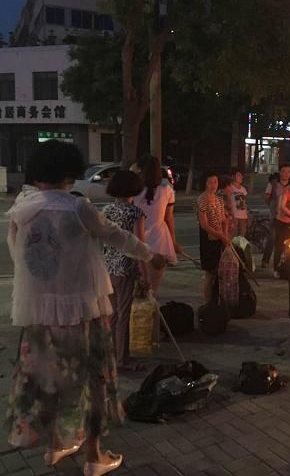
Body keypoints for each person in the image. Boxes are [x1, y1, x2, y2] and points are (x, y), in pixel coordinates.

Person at [5, 140, 165, 476]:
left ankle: (55, 446)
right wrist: (151, 255)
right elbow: (117, 236)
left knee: (48, 380)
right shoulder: (78, 207)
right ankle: (94, 456)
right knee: (93, 380)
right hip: (82, 309)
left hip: (38, 312)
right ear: (69, 173)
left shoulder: (21, 209)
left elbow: (18, 255)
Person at [104, 170, 148, 372]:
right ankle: (123, 358)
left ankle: (111, 355)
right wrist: (144, 275)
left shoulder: (107, 210)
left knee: (112, 315)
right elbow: (139, 246)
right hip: (126, 267)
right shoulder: (135, 213)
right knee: (124, 315)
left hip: (108, 266)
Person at [134, 156, 182, 296]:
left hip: (137, 242)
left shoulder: (134, 191)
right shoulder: (167, 190)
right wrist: (173, 242)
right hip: (160, 243)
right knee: (153, 291)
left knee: (138, 291)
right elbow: (169, 218)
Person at [197, 172, 229, 302]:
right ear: (205, 183)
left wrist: (225, 233)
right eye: (210, 182)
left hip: (219, 239)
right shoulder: (202, 200)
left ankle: (216, 300)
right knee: (209, 273)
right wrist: (220, 235)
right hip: (208, 239)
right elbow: (204, 225)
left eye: (215, 182)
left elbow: (223, 220)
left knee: (219, 272)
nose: (213, 185)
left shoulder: (219, 200)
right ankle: (208, 303)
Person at [262, 163, 290, 268]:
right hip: (274, 215)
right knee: (272, 238)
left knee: (285, 239)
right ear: (280, 172)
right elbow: (266, 197)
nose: (286, 174)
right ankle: (265, 260)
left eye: (288, 172)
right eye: (284, 171)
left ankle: (282, 261)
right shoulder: (273, 184)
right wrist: (272, 205)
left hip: (287, 216)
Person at [230, 168, 249, 237]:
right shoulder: (230, 188)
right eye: (238, 175)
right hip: (234, 216)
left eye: (241, 175)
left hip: (243, 216)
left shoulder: (243, 189)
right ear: (233, 176)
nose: (241, 177)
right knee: (233, 235)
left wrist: (247, 215)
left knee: (242, 236)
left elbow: (245, 203)